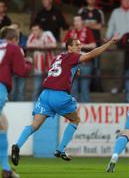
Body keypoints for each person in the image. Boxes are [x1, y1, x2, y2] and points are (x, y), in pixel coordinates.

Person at [11, 33, 119, 166]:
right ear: (69, 47)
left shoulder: (58, 57)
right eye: (76, 45)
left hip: (45, 95)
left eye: (80, 44)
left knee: (35, 125)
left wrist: (74, 71)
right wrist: (109, 43)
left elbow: (61, 71)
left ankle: (17, 145)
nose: (79, 46)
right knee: (75, 119)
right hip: (59, 96)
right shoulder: (72, 56)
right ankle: (60, 150)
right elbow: (92, 54)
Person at [0, 28, 32, 177]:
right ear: (14, 39)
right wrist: (28, 63)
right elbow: (21, 71)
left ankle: (6, 169)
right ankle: (6, 169)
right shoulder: (13, 47)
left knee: (3, 125)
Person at [63, 15, 96, 102]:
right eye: (75, 21)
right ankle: (73, 111)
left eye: (78, 21)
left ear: (82, 22)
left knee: (84, 89)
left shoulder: (88, 31)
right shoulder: (71, 32)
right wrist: (72, 47)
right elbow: (63, 44)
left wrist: (80, 46)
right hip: (73, 65)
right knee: (73, 89)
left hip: (86, 64)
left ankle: (85, 112)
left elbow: (94, 45)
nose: (76, 23)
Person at [78, 0, 104, 92]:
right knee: (81, 66)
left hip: (95, 43)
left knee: (96, 67)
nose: (91, 0)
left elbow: (100, 26)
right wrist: (93, 24)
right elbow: (79, 23)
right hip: (84, 42)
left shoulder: (99, 12)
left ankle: (96, 88)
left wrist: (87, 24)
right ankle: (82, 89)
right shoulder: (82, 11)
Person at [106, 0, 129, 100]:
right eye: (125, 0)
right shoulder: (115, 12)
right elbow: (111, 25)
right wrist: (107, 36)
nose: (127, 2)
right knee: (119, 65)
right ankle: (118, 87)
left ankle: (126, 88)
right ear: (121, 1)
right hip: (120, 42)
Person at [27, 23, 57, 100]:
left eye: (36, 30)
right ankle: (35, 108)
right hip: (38, 67)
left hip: (50, 67)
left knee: (50, 88)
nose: (34, 32)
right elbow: (28, 45)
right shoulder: (32, 36)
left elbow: (54, 44)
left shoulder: (47, 34)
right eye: (33, 30)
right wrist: (39, 46)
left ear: (41, 30)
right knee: (37, 88)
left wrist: (44, 46)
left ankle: (49, 107)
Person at [9, 22, 28, 101]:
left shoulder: (23, 40)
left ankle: (20, 111)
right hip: (11, 71)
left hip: (21, 72)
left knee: (20, 91)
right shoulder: (5, 42)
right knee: (12, 91)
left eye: (15, 28)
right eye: (12, 29)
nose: (14, 30)